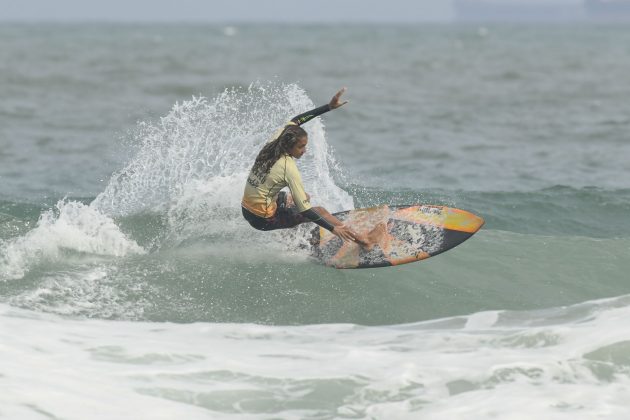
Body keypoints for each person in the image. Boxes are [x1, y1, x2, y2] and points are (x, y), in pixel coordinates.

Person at [241, 87, 367, 245]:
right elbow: (305, 209)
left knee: (300, 196)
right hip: (262, 219)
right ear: (289, 146)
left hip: (246, 208)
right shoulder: (288, 167)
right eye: (301, 147)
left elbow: (296, 121)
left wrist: (328, 107)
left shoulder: (273, 143)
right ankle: (365, 241)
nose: (305, 150)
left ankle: (291, 236)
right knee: (317, 209)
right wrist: (333, 229)